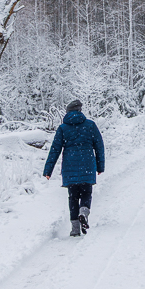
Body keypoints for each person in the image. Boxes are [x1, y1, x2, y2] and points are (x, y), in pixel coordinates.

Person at [43, 99, 106, 237]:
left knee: (73, 197)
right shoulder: (90, 125)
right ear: (80, 110)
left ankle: (75, 229)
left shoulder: (63, 128)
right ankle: (83, 212)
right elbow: (99, 146)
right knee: (86, 192)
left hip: (69, 166)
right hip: (87, 165)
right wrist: (100, 166)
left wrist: (48, 170)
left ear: (68, 112)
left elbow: (55, 150)